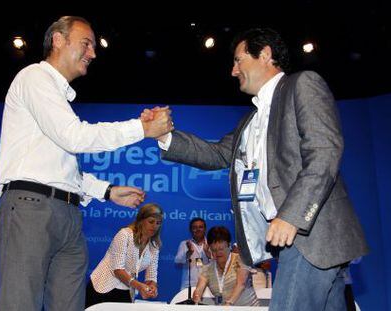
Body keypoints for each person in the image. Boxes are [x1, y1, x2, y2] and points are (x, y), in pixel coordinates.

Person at [148, 27, 369, 310]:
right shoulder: (249, 121)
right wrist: (164, 136)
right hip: (297, 242)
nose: (233, 70)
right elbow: (216, 153)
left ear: (265, 54)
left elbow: (325, 152)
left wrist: (292, 216)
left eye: (239, 60)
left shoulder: (302, 84)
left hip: (308, 235)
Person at [0, 16, 173, 311]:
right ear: (58, 41)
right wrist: (141, 129)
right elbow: (74, 137)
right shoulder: (34, 78)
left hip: (70, 215)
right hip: (30, 208)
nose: (93, 53)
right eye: (86, 43)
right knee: (20, 304)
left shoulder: (57, 99)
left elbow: (63, 167)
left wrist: (107, 191)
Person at [85, 203, 163, 307]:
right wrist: (139, 286)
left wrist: (152, 286)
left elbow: (151, 275)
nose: (154, 226)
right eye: (151, 221)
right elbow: (118, 270)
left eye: (158, 223)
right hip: (103, 287)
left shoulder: (154, 245)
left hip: (126, 288)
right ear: (141, 220)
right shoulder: (125, 234)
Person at [192, 226, 259, 306]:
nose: (218, 253)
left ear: (229, 245)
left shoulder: (241, 260)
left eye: (221, 249)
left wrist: (229, 304)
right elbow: (198, 289)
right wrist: (196, 297)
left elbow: (241, 284)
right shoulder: (207, 269)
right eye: (214, 250)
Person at [174, 217, 211, 290]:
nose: (198, 230)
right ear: (191, 230)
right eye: (195, 227)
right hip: (189, 285)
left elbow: (217, 263)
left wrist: (207, 252)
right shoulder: (185, 244)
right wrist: (188, 253)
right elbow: (177, 261)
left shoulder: (211, 244)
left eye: (201, 227)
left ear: (205, 229)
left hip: (207, 284)